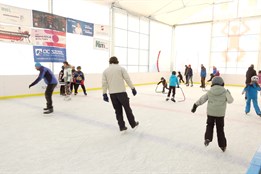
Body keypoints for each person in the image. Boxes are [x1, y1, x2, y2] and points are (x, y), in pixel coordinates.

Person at [191, 76, 234, 152]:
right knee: (220, 129)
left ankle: (208, 138)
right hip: (220, 114)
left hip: (210, 113)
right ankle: (222, 145)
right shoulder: (225, 91)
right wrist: (229, 93)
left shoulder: (210, 91)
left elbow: (202, 99)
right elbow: (230, 101)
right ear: (222, 83)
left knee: (209, 125)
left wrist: (195, 105)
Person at [102, 56, 139, 131]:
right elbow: (127, 79)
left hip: (112, 94)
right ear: (117, 61)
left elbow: (104, 83)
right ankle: (133, 124)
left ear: (109, 62)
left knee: (118, 111)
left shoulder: (105, 71)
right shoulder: (121, 69)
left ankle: (122, 127)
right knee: (127, 109)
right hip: (121, 93)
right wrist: (132, 88)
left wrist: (104, 93)